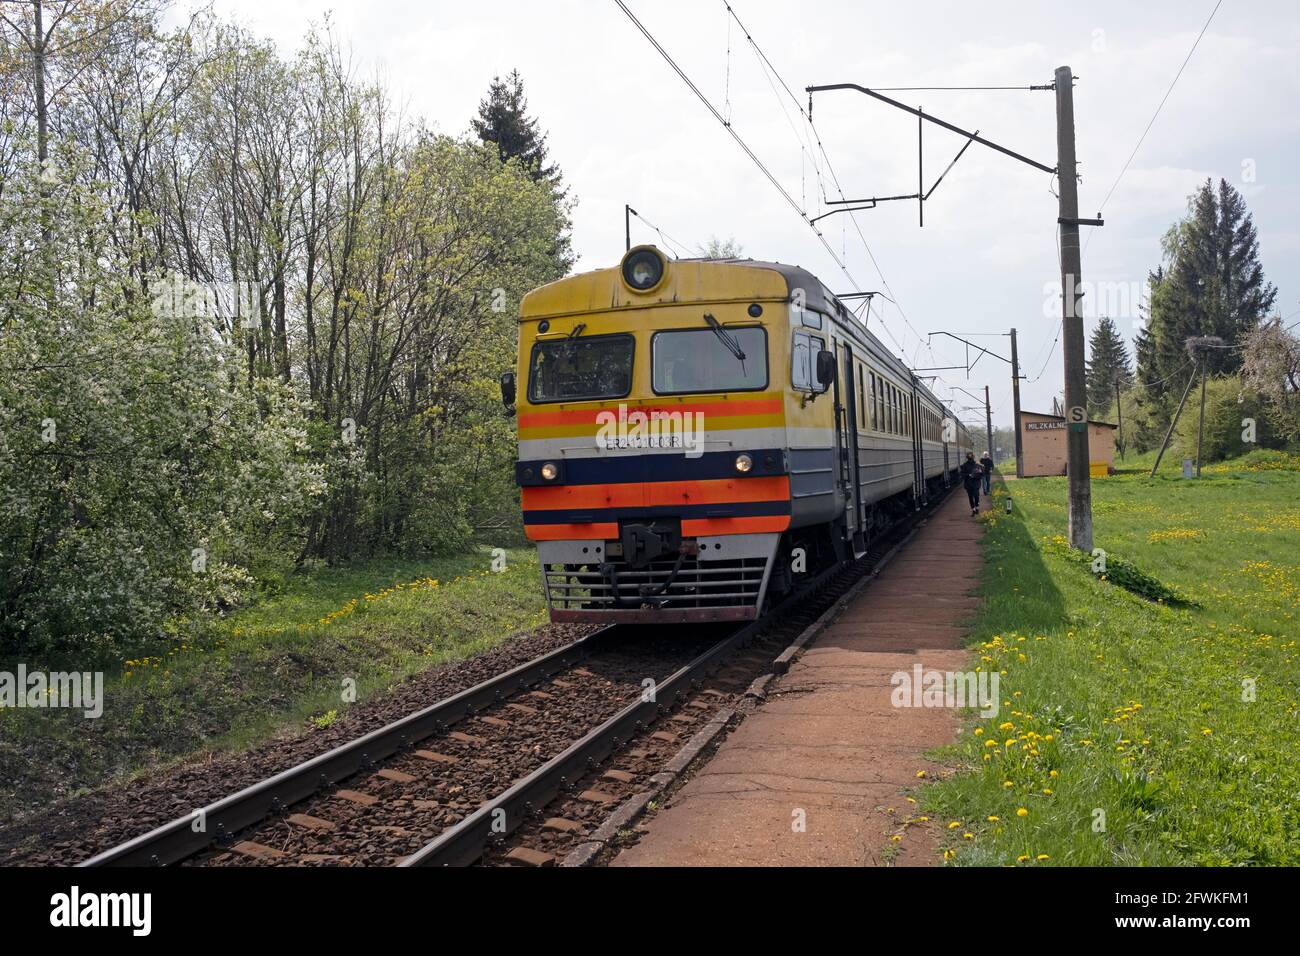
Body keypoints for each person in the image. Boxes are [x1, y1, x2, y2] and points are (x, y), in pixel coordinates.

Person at [960, 451, 983, 516]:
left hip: (976, 483)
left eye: (971, 456)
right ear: (967, 457)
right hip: (968, 483)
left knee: (976, 496)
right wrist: (969, 475)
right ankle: (973, 509)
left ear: (973, 457)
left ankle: (977, 507)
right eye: (969, 456)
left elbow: (981, 474)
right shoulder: (964, 465)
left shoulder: (977, 465)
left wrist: (979, 473)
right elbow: (962, 474)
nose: (970, 457)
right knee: (970, 497)